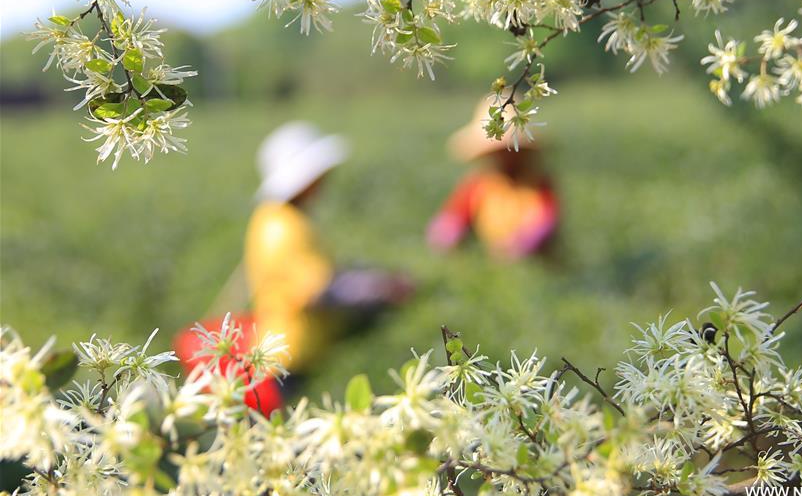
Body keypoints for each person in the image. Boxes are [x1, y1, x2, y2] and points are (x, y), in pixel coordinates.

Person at [175, 122, 411, 414]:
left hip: (289, 355)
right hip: (286, 365)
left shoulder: (278, 218)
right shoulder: (282, 227)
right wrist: (381, 289)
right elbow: (322, 290)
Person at [427, 99, 559, 260]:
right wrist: (446, 236)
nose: (507, 155)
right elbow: (453, 217)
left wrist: (522, 244)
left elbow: (545, 222)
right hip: (492, 261)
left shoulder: (538, 184)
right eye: (500, 151)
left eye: (513, 149)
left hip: (535, 263)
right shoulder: (478, 184)